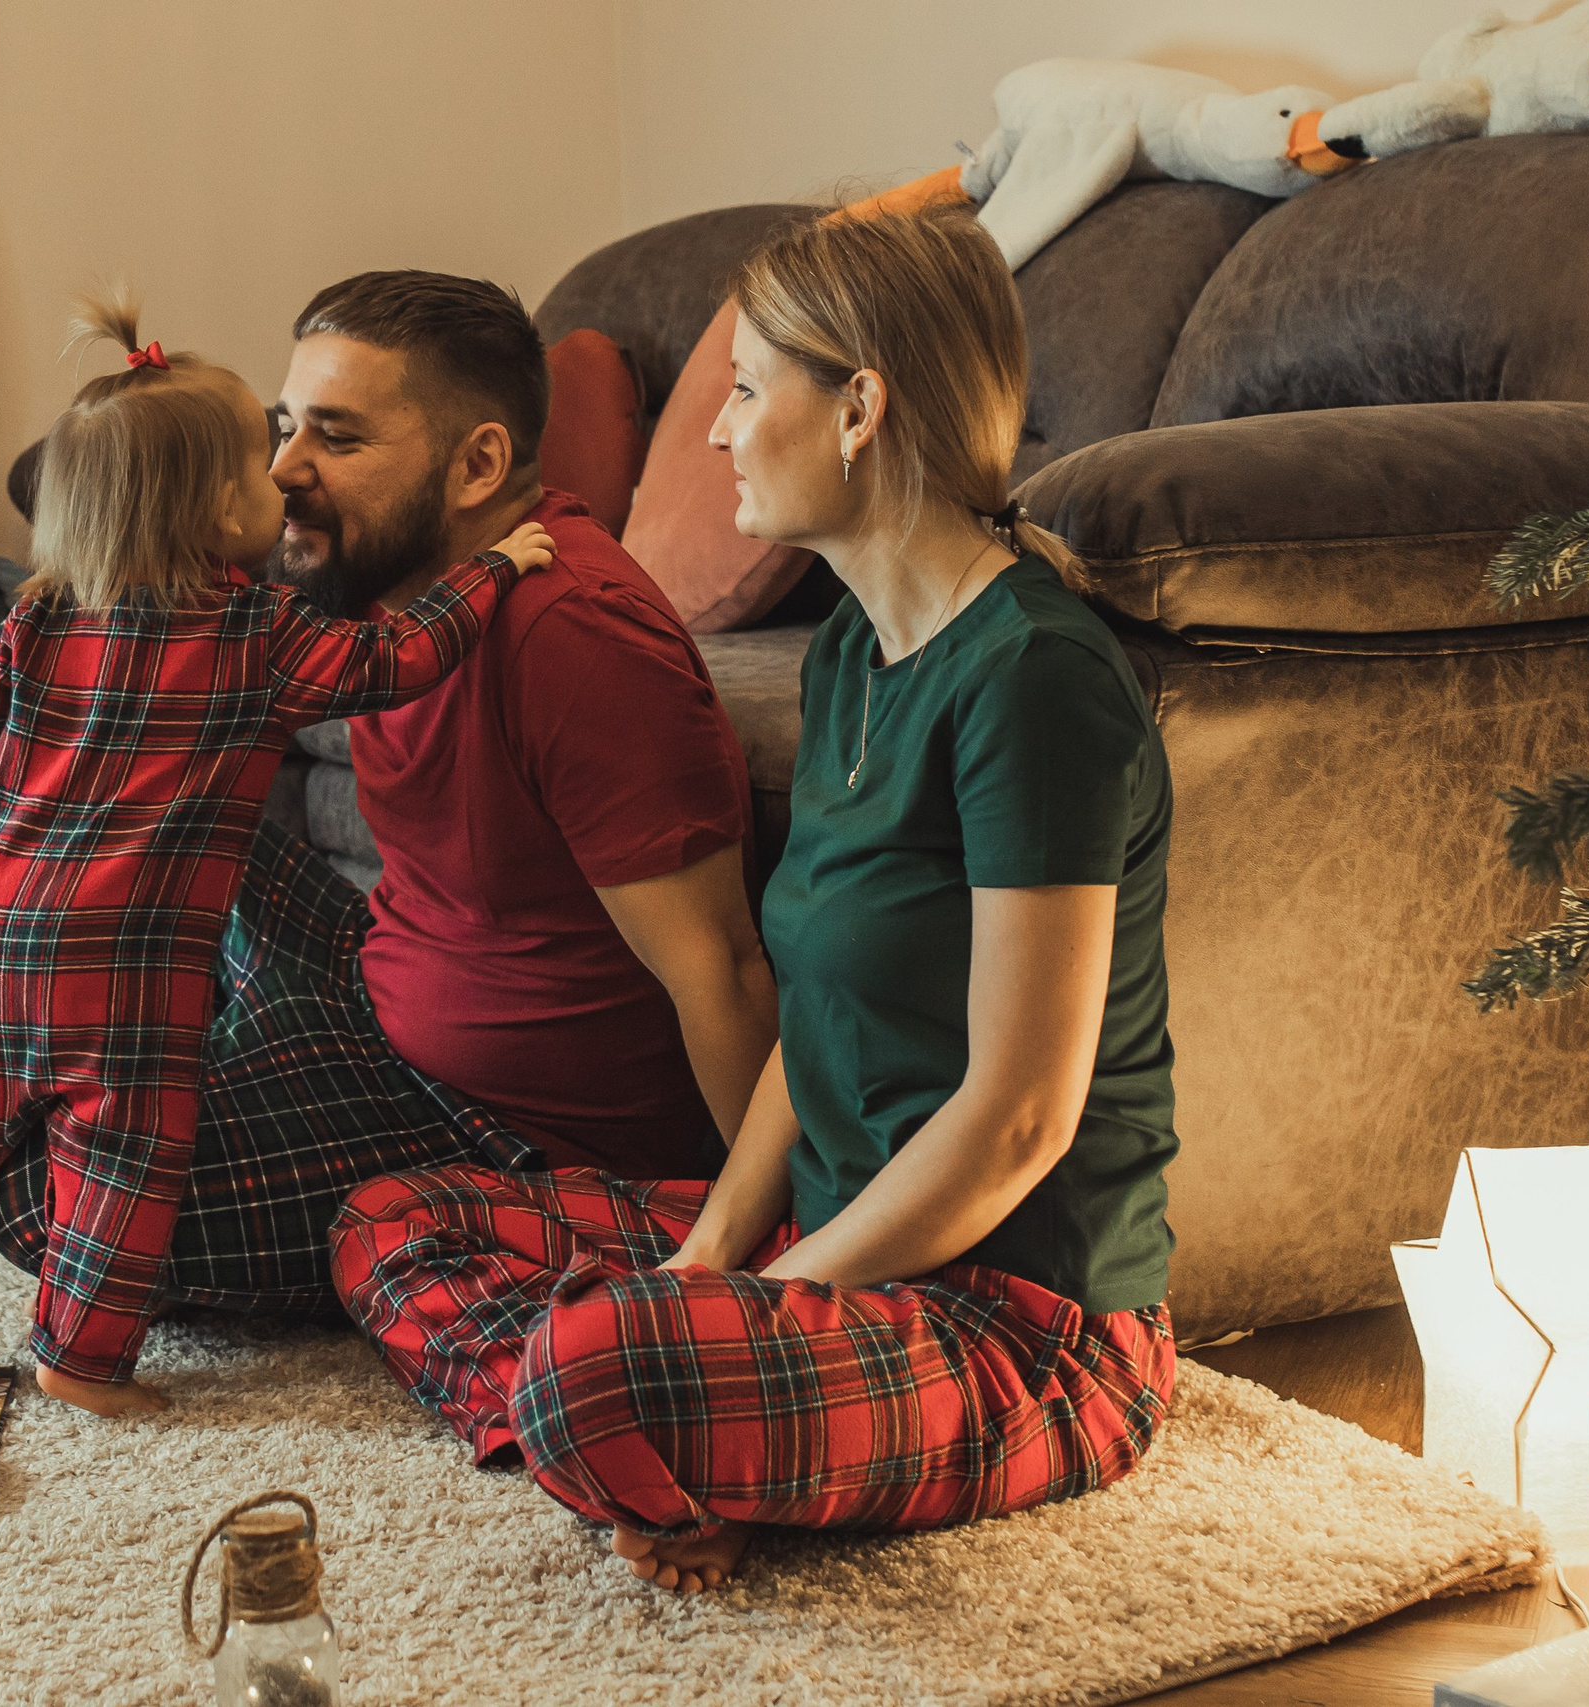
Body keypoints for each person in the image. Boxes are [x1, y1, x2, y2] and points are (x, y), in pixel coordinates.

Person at [333, 207, 1180, 1591]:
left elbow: (1021, 1116)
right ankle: (689, 1448)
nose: (717, 433)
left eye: (741, 388)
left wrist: (752, 1300)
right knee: (390, 1224)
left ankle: (650, 1426)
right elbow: (823, 1019)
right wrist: (716, 1250)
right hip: (836, 1244)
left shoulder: (1033, 681)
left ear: (860, 406)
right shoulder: (854, 648)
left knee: (586, 1368)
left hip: (1024, 1322)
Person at [0, 272, 775, 1316]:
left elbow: (719, 966)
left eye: (338, 440)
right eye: (284, 426)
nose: (282, 471)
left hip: (501, 1124)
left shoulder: (572, 637)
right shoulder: (376, 592)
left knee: (39, 1199)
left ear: (477, 464)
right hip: (384, 987)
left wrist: (761, 1230)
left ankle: (251, 1076)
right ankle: (231, 1057)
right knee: (138, 834)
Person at [0, 296, 552, 1415]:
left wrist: (12, 771)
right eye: (263, 461)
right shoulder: (255, 635)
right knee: (122, 1160)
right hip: (128, 984)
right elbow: (399, 657)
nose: (287, 477)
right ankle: (79, 1361)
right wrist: (498, 569)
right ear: (207, 510)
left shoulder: (39, 618)